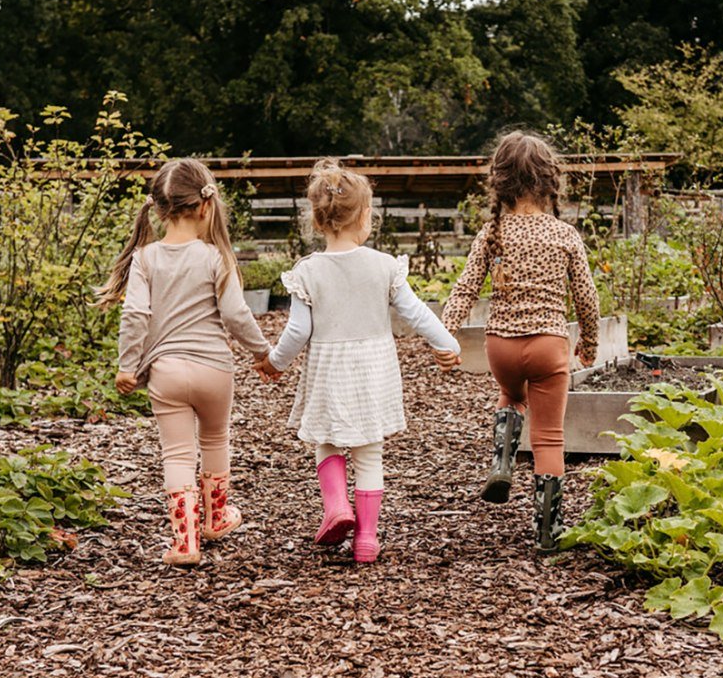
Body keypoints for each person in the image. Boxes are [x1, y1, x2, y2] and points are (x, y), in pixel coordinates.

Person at [262, 159, 460, 563]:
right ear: (366, 216)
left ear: (317, 220)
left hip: (329, 371)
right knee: (370, 454)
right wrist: (448, 343)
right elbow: (416, 313)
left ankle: (337, 506)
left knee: (327, 441)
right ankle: (367, 540)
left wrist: (275, 363)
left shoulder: (308, 271)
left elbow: (298, 331)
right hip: (374, 371)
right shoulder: (384, 266)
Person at [98, 158, 273, 567]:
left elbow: (135, 315)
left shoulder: (145, 259)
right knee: (215, 439)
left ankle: (185, 542)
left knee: (176, 454)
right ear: (206, 206)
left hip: (167, 372)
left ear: (159, 210)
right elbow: (235, 315)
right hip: (215, 370)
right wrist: (262, 352)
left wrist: (127, 365)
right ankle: (217, 518)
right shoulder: (216, 256)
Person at [441, 131, 601, 549]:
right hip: (549, 347)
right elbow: (587, 299)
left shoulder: (492, 233)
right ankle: (548, 532)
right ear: (550, 181)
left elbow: (464, 289)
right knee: (548, 437)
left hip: (501, 348)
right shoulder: (565, 235)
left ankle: (502, 462)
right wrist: (589, 343)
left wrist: (446, 334)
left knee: (512, 395)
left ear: (500, 182)